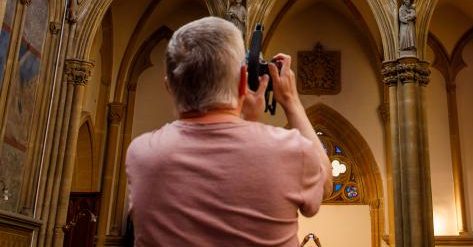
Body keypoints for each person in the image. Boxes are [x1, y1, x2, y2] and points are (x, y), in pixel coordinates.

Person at [126, 17, 332, 246]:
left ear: (169, 86)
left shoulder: (141, 154)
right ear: (244, 81)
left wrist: (246, 120)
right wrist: (291, 101)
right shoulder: (289, 150)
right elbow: (324, 184)